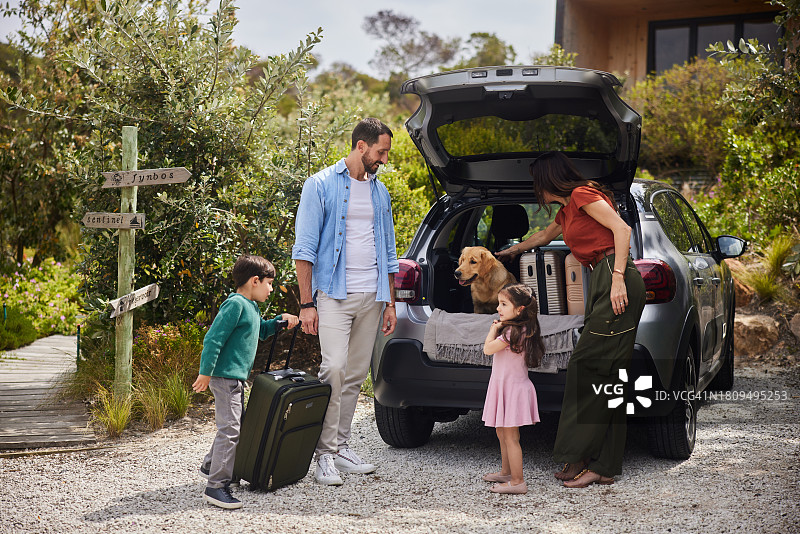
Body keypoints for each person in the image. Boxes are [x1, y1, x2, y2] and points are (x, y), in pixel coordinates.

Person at [496, 151, 646, 488]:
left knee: (586, 365)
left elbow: (621, 231)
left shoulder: (582, 195)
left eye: (537, 183)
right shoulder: (567, 210)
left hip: (614, 275)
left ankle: (586, 456)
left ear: (548, 179)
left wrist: (618, 277)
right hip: (602, 278)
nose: (537, 191)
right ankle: (600, 464)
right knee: (606, 372)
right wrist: (512, 251)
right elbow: (544, 238)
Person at [292, 117, 398, 486]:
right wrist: (307, 303)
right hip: (333, 295)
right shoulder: (320, 185)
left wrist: (390, 302)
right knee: (333, 369)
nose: (383, 159)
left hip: (372, 295)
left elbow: (388, 251)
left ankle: (340, 447)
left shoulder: (379, 192)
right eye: (381, 152)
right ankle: (323, 455)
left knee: (354, 375)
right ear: (361, 146)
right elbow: (303, 250)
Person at [192, 254, 299, 509]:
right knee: (230, 430)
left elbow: (260, 331)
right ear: (254, 280)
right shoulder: (236, 305)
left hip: (236, 378)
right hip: (225, 377)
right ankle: (216, 486)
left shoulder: (251, 306)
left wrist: (279, 323)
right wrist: (205, 373)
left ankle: (210, 465)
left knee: (233, 425)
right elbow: (213, 339)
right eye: (269, 283)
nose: (271, 289)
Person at [481, 283, 544, 495]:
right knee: (502, 432)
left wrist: (493, 330)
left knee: (510, 437)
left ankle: (518, 481)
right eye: (499, 303)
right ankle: (507, 472)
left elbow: (488, 349)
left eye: (504, 304)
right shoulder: (521, 328)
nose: (499, 308)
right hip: (506, 387)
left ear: (519, 310)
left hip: (512, 390)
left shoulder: (511, 332)